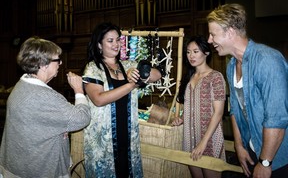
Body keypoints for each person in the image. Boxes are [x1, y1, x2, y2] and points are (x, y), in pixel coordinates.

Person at [207, 3, 288, 178]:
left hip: (278, 158)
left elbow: (277, 118)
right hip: (252, 152)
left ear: (229, 32)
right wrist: (239, 145)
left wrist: (266, 162)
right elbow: (235, 109)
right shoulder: (231, 66)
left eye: (213, 34)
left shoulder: (267, 60)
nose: (209, 40)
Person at [0, 36, 91, 178]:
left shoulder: (22, 84)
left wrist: (60, 127)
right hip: (38, 170)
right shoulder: (44, 96)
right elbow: (82, 119)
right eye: (57, 60)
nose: (60, 63)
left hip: (17, 164)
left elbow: (36, 123)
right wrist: (79, 91)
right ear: (43, 64)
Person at [82, 22, 162, 178]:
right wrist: (132, 84)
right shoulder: (93, 68)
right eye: (110, 40)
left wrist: (140, 72)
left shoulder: (127, 65)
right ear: (99, 44)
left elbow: (157, 75)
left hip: (127, 134)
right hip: (103, 138)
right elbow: (98, 99)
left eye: (118, 40)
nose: (116, 44)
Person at [172, 36, 226, 178]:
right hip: (189, 139)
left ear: (206, 53)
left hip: (209, 140)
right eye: (188, 52)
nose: (191, 56)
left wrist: (203, 143)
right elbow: (191, 107)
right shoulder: (189, 78)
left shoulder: (215, 77)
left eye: (195, 51)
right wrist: (182, 118)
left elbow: (218, 113)